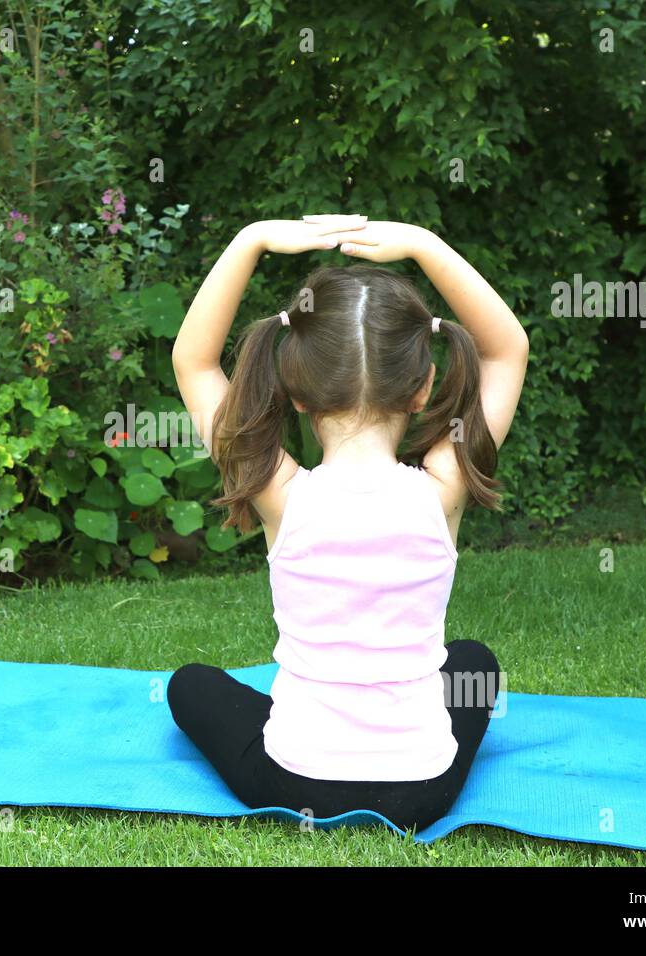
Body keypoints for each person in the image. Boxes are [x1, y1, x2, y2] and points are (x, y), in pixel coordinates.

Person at [166, 215, 528, 830]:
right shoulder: (446, 487)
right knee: (473, 661)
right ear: (423, 388)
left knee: (189, 685)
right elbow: (506, 350)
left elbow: (194, 363)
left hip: (292, 778)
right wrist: (422, 244)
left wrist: (251, 239)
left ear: (296, 392)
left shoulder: (280, 493)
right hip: (423, 790)